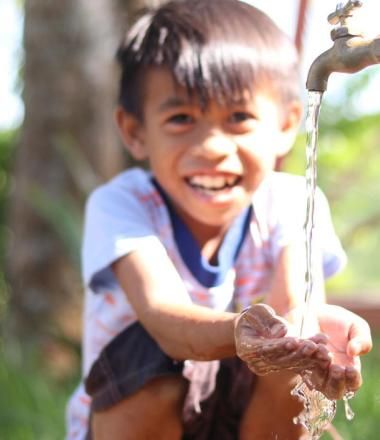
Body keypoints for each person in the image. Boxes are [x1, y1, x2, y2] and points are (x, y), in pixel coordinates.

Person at [66, 1, 372, 439]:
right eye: (181, 118)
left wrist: (320, 334)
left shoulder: (289, 200)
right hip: (140, 420)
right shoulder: (122, 205)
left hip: (245, 419)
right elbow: (167, 321)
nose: (211, 146)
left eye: (239, 118)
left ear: (286, 125)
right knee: (147, 352)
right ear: (134, 132)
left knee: (296, 352)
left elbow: (297, 308)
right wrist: (241, 330)